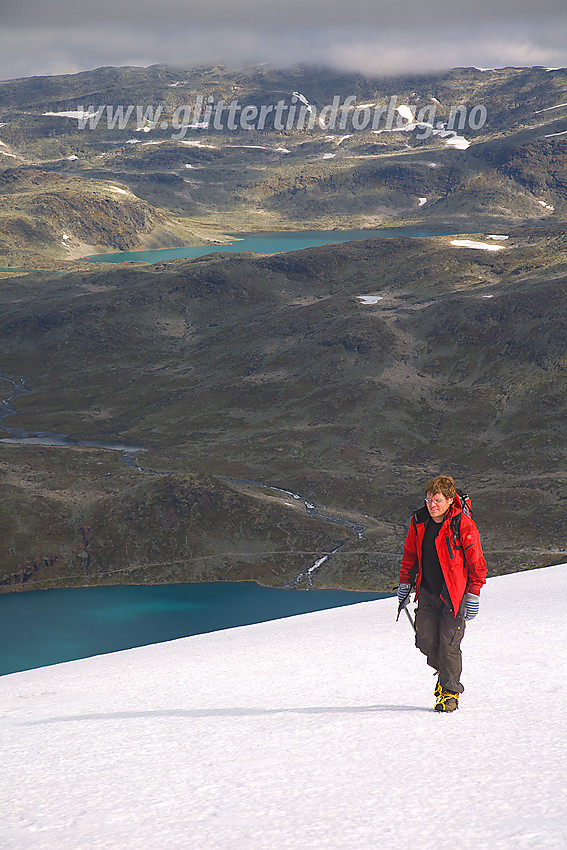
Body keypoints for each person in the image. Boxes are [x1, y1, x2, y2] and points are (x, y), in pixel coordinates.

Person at [397, 474, 487, 712]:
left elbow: (476, 563)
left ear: (449, 500)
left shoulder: (463, 525)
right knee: (424, 639)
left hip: (453, 596)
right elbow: (410, 555)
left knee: (449, 645)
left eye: (436, 500)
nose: (431, 504)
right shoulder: (419, 522)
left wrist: (473, 594)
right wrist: (405, 583)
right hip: (427, 592)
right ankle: (445, 672)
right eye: (428, 499)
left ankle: (449, 693)